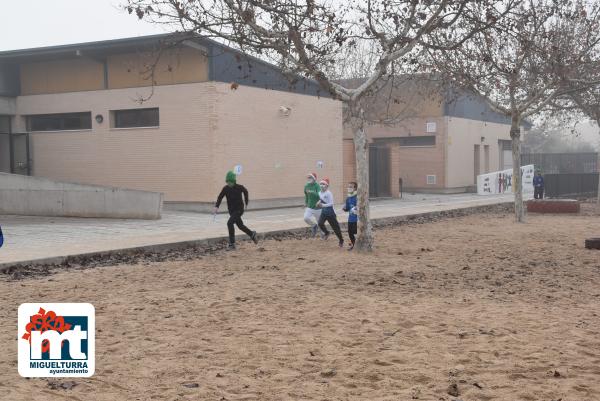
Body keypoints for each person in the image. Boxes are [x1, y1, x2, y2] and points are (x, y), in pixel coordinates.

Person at [214, 171, 258, 250]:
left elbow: (245, 191)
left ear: (234, 181)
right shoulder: (225, 188)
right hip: (231, 211)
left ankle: (232, 244)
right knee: (240, 226)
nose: (229, 183)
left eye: (230, 182)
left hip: (239, 209)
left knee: (229, 223)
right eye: (227, 182)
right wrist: (217, 206)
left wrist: (246, 201)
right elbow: (220, 197)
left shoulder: (239, 187)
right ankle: (252, 234)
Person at [316, 178, 344, 248]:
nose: (322, 185)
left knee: (336, 228)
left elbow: (331, 203)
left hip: (330, 213)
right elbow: (320, 200)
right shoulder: (319, 193)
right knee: (320, 223)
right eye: (321, 184)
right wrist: (318, 203)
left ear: (327, 186)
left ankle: (341, 240)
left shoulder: (329, 193)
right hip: (324, 212)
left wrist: (323, 205)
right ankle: (327, 232)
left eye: (323, 184)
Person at [303, 172, 322, 237]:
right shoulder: (306, 186)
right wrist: (305, 203)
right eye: (308, 177)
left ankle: (323, 234)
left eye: (310, 177)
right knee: (306, 218)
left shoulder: (317, 186)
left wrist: (312, 192)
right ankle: (314, 225)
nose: (309, 179)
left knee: (320, 222)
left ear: (314, 178)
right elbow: (306, 195)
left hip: (318, 207)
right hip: (310, 206)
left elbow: (320, 195)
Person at [342, 182, 358, 251]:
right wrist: (345, 208)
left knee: (355, 232)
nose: (349, 188)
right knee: (350, 232)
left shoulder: (357, 197)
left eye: (351, 187)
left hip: (357, 219)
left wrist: (356, 209)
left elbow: (360, 207)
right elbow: (347, 208)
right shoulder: (348, 198)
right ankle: (353, 244)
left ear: (355, 188)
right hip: (350, 219)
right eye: (348, 187)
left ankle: (357, 244)